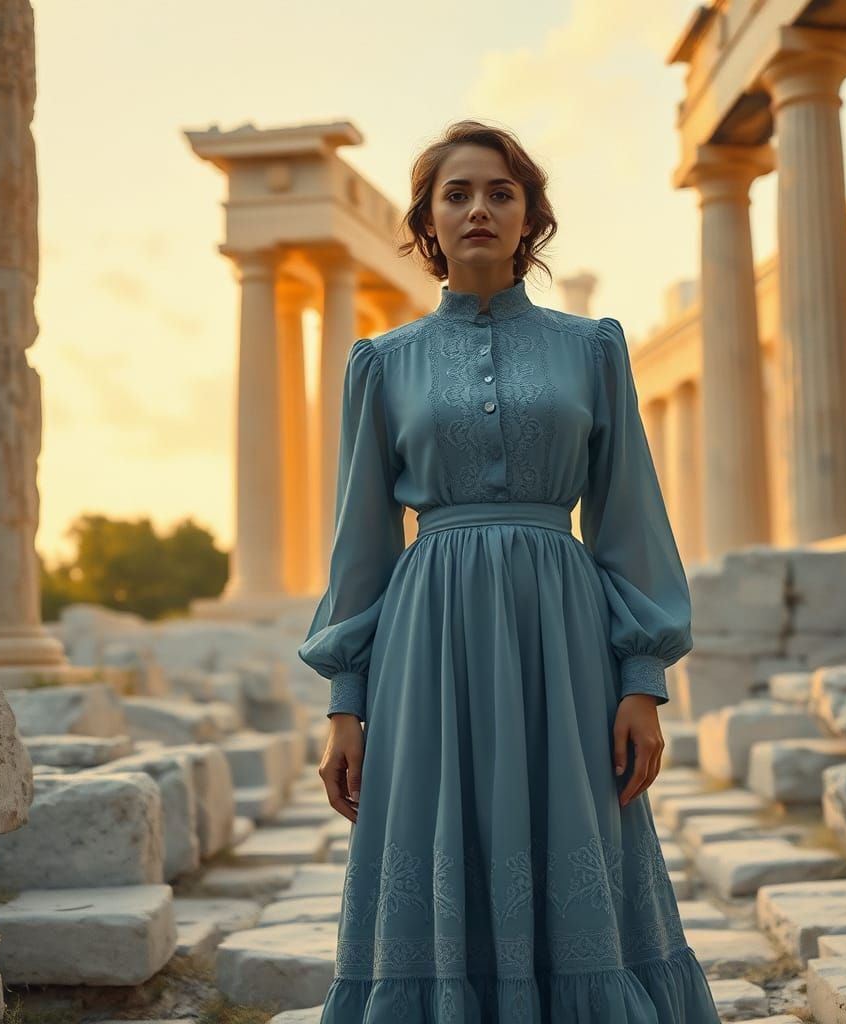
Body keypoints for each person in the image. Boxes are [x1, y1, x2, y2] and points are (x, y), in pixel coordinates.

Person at [298, 118, 721, 1022]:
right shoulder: (381, 363)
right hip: (428, 638)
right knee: (436, 834)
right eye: (457, 194)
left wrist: (640, 678)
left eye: (500, 192)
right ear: (429, 222)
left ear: (530, 217)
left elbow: (629, 515)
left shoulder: (593, 347)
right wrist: (344, 701)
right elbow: (362, 539)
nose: (479, 209)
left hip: (561, 633)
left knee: (574, 835)